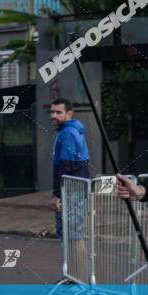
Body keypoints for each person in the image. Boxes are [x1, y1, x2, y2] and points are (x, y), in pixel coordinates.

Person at [49, 98, 90, 239]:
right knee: (74, 236)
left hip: (71, 192)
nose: (53, 115)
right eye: (52, 112)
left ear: (69, 113)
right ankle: (73, 262)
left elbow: (65, 167)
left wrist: (58, 195)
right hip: (76, 189)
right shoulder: (73, 131)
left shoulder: (67, 133)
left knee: (72, 237)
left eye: (58, 112)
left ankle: (74, 262)